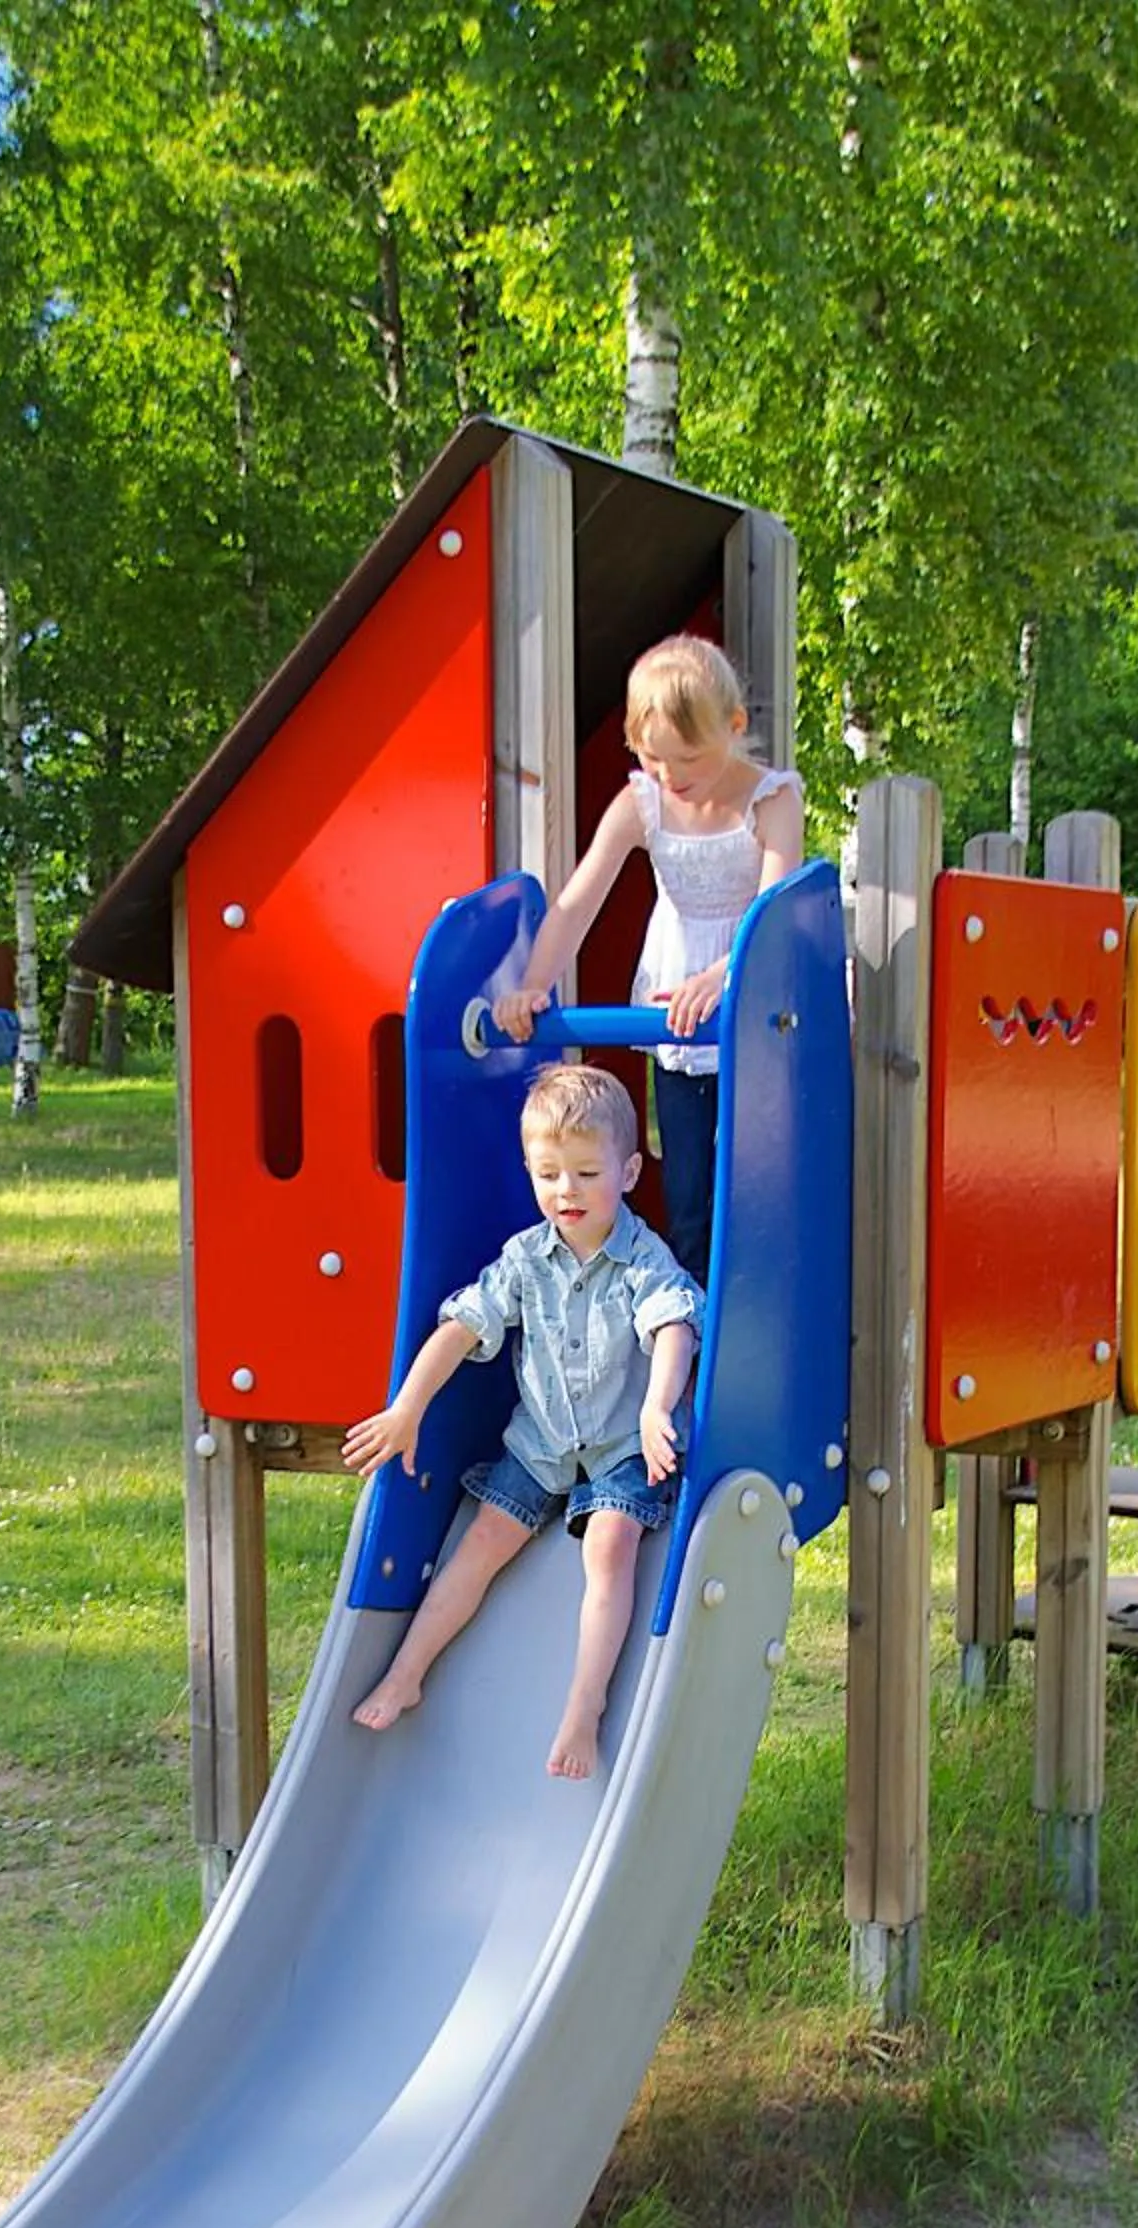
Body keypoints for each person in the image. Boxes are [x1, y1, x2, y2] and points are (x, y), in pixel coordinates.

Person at [344, 1062, 701, 1780]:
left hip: (621, 1448)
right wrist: (407, 1408)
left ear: (629, 1172)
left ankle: (584, 1705)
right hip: (538, 1446)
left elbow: (674, 1329)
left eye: (586, 1174)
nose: (566, 1191)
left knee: (610, 1546)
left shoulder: (642, 1260)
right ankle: (407, 1671)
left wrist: (659, 1408)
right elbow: (460, 1327)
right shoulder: (523, 1260)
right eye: (549, 1174)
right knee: (481, 1542)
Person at [491, 634, 804, 1284]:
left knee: (755, 1188)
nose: (671, 775)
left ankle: (755, 1321)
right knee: (688, 1192)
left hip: (754, 1003)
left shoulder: (772, 798)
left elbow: (771, 910)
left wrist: (722, 979)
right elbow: (578, 903)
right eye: (653, 757)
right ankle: (690, 1342)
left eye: (688, 757)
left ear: (735, 726)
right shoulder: (643, 803)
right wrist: (532, 986)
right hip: (678, 1017)